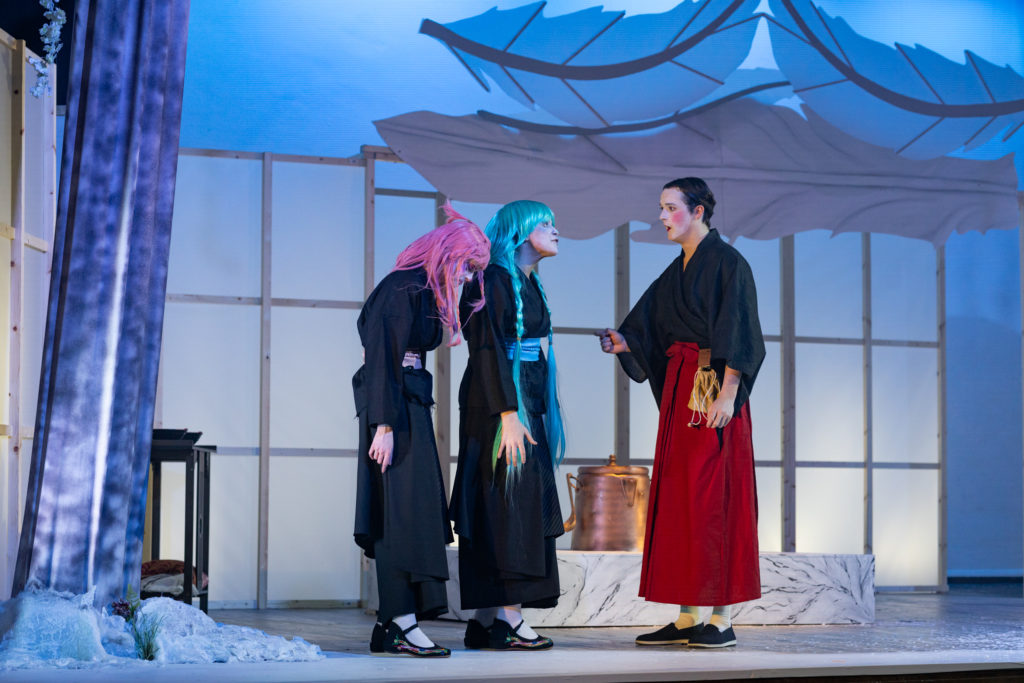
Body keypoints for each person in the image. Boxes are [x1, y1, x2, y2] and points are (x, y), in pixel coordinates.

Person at [597, 177, 764, 649]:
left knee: (715, 497)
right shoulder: (677, 270)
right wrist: (625, 342)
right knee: (682, 497)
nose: (662, 216)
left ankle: (722, 617)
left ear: (698, 212)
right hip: (682, 387)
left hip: (713, 383)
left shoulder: (728, 263)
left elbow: (741, 330)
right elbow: (649, 324)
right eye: (662, 207)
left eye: (671, 207)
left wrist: (728, 394)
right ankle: (689, 616)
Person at [353, 203, 490, 657]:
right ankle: (400, 624)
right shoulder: (402, 288)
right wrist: (385, 424)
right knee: (401, 514)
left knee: (412, 512)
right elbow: (383, 359)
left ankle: (391, 623)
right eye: (467, 266)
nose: (468, 276)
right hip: (394, 409)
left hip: (408, 402)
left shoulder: (424, 289)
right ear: (447, 254)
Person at [450, 200, 566, 651]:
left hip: (522, 400)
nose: (555, 230)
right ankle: (507, 619)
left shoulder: (526, 281)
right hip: (499, 406)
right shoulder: (494, 279)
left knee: (511, 501)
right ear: (520, 231)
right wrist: (508, 414)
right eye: (545, 223)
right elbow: (487, 348)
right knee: (507, 505)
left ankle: (486, 619)